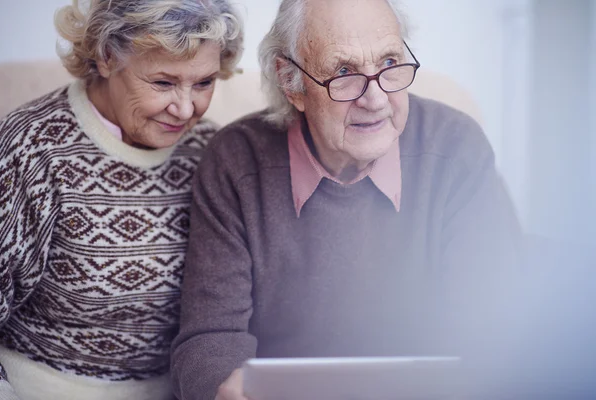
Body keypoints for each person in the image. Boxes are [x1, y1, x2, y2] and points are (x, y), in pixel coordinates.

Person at [171, 0, 523, 399]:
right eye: (344, 72)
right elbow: (211, 337)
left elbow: (492, 329)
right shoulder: (236, 160)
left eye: (389, 62)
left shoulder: (456, 148)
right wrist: (223, 384)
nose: (375, 100)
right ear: (292, 83)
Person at [0, 1, 243, 399]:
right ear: (107, 56)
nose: (185, 108)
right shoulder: (33, 146)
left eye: (203, 83)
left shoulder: (210, 151)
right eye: (163, 83)